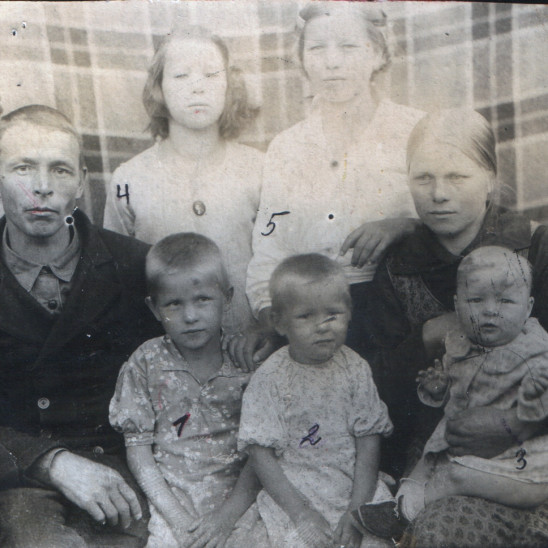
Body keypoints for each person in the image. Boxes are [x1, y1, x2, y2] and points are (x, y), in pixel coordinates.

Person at [368, 109, 548, 546]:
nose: (439, 194)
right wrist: (428, 336)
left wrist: (511, 423)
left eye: (457, 177)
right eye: (423, 178)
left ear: (490, 179)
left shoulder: (536, 247)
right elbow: (376, 387)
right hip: (439, 454)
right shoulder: (397, 266)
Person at [0, 105, 159, 547]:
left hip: (129, 474)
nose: (42, 186)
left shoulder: (135, 265)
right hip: (22, 482)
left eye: (60, 169)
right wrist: (51, 462)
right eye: (23, 168)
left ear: (82, 182)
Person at [240, 2, 424, 369]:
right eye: (317, 48)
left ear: (377, 53)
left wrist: (403, 226)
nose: (332, 62)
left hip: (397, 312)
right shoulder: (288, 147)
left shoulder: (414, 130)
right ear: (302, 60)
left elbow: (457, 220)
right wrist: (268, 317)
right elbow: (269, 249)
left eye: (348, 47)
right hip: (311, 321)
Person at [355, 246, 548, 538]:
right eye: (476, 300)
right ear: (457, 306)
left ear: (529, 307)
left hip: (520, 465)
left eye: (506, 301)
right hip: (460, 442)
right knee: (424, 463)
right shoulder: (460, 344)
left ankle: (406, 513)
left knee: (457, 473)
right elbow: (455, 392)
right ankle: (400, 505)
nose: (490, 310)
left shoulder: (535, 350)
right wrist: (438, 390)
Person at [104, 25, 263, 338]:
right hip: (162, 353)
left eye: (211, 74)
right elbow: (115, 281)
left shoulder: (260, 170)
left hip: (249, 348)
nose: (197, 88)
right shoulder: (130, 179)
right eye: (180, 76)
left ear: (229, 85)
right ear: (158, 89)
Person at [109, 233, 267, 548]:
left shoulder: (245, 363)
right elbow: (138, 451)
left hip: (241, 505)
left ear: (227, 297)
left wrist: (226, 519)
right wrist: (179, 521)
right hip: (173, 506)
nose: (190, 316)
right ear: (155, 308)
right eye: (174, 304)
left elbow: (262, 452)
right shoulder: (146, 363)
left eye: (203, 299)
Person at [238, 254, 394, 548]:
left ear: (349, 312)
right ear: (279, 322)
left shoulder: (355, 369)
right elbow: (261, 455)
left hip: (353, 487)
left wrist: (356, 511)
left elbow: (368, 443)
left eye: (333, 314)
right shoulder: (270, 377)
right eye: (305, 316)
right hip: (295, 493)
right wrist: (301, 513)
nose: (322, 326)